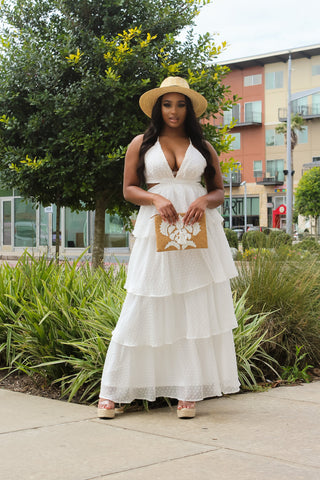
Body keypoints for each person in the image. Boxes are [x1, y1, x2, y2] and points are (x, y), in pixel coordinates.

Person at [98, 76, 240, 419]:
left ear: (189, 109)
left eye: (180, 104)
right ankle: (113, 392)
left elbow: (219, 190)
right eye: (167, 103)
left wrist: (204, 200)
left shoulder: (203, 146)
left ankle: (187, 391)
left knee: (193, 304)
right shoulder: (141, 144)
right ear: (158, 108)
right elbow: (129, 188)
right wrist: (154, 196)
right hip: (155, 231)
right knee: (143, 300)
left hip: (197, 234)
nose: (174, 111)